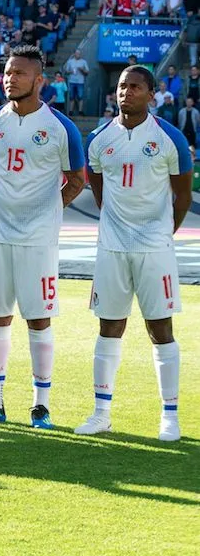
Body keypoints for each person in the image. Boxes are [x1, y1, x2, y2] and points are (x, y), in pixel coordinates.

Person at [0, 46, 85, 428]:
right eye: (8, 72)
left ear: (39, 80)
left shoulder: (60, 128)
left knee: (38, 318)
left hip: (37, 239)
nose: (11, 78)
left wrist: (48, 212)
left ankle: (40, 405)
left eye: (20, 73)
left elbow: (77, 180)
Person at [77, 66, 192, 442]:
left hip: (154, 249)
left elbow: (183, 196)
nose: (127, 92)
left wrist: (160, 233)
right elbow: (98, 189)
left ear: (152, 94)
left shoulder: (169, 139)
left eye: (136, 86)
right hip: (112, 248)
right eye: (123, 86)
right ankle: (101, 413)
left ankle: (170, 416)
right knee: (109, 326)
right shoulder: (98, 139)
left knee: (160, 328)